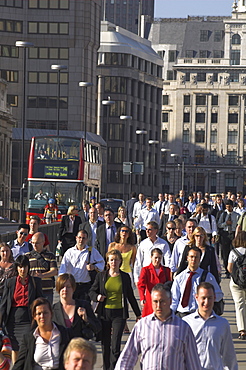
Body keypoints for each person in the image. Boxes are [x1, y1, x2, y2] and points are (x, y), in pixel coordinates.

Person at [115, 283, 201, 370]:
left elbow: (193, 362)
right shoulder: (142, 326)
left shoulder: (183, 328)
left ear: (170, 301)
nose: (158, 306)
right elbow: (127, 357)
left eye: (162, 301)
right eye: (155, 301)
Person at [89, 249, 141, 370]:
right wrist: (97, 297)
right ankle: (106, 367)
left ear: (120, 261)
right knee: (105, 344)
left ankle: (114, 367)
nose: (114, 262)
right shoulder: (101, 276)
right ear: (107, 262)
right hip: (104, 313)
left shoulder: (124, 277)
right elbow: (92, 291)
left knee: (115, 345)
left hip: (119, 313)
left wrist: (138, 314)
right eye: (111, 260)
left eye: (116, 260)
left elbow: (131, 296)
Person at [183, 282, 238, 370]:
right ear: (196, 297)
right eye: (203, 298)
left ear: (215, 298)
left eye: (210, 298)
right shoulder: (186, 323)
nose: (206, 302)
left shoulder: (222, 324)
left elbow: (229, 354)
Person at [0, 255, 43, 363]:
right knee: (15, 349)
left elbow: (40, 301)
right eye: (20, 267)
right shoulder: (10, 282)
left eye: (24, 267)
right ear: (17, 268)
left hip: (28, 319)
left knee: (27, 347)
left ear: (28, 267)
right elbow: (4, 303)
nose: (22, 270)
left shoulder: (35, 282)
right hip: (13, 320)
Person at [12, 297, 70, 370]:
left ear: (51, 314)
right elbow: (19, 363)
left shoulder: (64, 333)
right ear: (34, 316)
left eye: (45, 313)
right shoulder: (28, 338)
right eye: (39, 314)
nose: (42, 316)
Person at [171, 247, 223, 317]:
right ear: (187, 258)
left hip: (199, 315)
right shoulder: (179, 278)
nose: (193, 259)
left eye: (196, 257)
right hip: (182, 314)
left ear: (200, 259)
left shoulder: (207, 277)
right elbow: (174, 299)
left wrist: (208, 299)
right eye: (191, 257)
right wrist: (170, 315)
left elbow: (219, 294)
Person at [59, 230, 105, 301]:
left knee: (84, 307)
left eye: (83, 238)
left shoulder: (92, 251)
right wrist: (61, 283)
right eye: (79, 237)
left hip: (86, 285)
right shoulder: (69, 252)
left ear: (87, 239)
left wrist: (94, 267)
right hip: (72, 285)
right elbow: (63, 268)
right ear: (76, 238)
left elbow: (102, 263)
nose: (81, 240)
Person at [53, 273, 101, 339]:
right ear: (58, 289)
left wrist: (86, 319)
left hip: (80, 346)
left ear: (73, 288)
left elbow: (97, 328)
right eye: (62, 287)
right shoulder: (53, 310)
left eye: (68, 286)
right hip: (61, 347)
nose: (65, 289)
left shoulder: (84, 305)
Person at [138, 248, 171, 317]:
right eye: (155, 258)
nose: (157, 260)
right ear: (151, 257)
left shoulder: (166, 270)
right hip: (150, 299)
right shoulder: (145, 270)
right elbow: (141, 285)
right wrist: (142, 298)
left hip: (162, 299)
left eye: (159, 258)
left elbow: (169, 285)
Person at [26, 232, 58, 304]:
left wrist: (42, 275)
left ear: (43, 242)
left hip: (46, 289)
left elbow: (54, 271)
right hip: (33, 289)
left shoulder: (50, 255)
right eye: (33, 243)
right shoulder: (27, 256)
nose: (34, 245)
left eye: (37, 243)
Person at [227, 231, 246, 339]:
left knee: (240, 305)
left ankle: (242, 330)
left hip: (236, 283)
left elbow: (229, 268)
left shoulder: (234, 252)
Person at [218, 199, 239, 278]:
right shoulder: (223, 214)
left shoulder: (237, 215)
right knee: (225, 253)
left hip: (233, 234)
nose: (228, 208)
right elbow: (219, 224)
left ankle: (233, 269)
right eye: (227, 207)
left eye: (229, 207)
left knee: (233, 252)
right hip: (225, 234)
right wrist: (225, 224)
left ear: (232, 206)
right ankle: (227, 270)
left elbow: (238, 225)